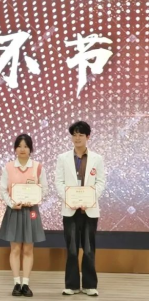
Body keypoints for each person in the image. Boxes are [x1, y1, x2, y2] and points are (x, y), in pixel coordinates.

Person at [55, 121, 106, 297]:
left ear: (88, 137)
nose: (77, 138)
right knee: (71, 248)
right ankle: (72, 285)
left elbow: (100, 182)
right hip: (70, 209)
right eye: (74, 135)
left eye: (81, 135)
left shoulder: (97, 158)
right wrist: (70, 199)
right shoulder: (62, 158)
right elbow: (59, 182)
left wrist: (88, 199)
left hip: (89, 210)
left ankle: (90, 285)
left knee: (89, 248)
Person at [0, 134, 48, 298]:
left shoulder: (38, 167)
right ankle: (16, 283)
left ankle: (25, 284)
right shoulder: (8, 167)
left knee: (28, 249)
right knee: (15, 249)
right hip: (14, 210)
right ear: (15, 148)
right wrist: (12, 203)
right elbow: (3, 189)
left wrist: (34, 200)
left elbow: (44, 189)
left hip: (31, 211)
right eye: (19, 146)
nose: (22, 149)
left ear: (30, 148)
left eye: (26, 146)